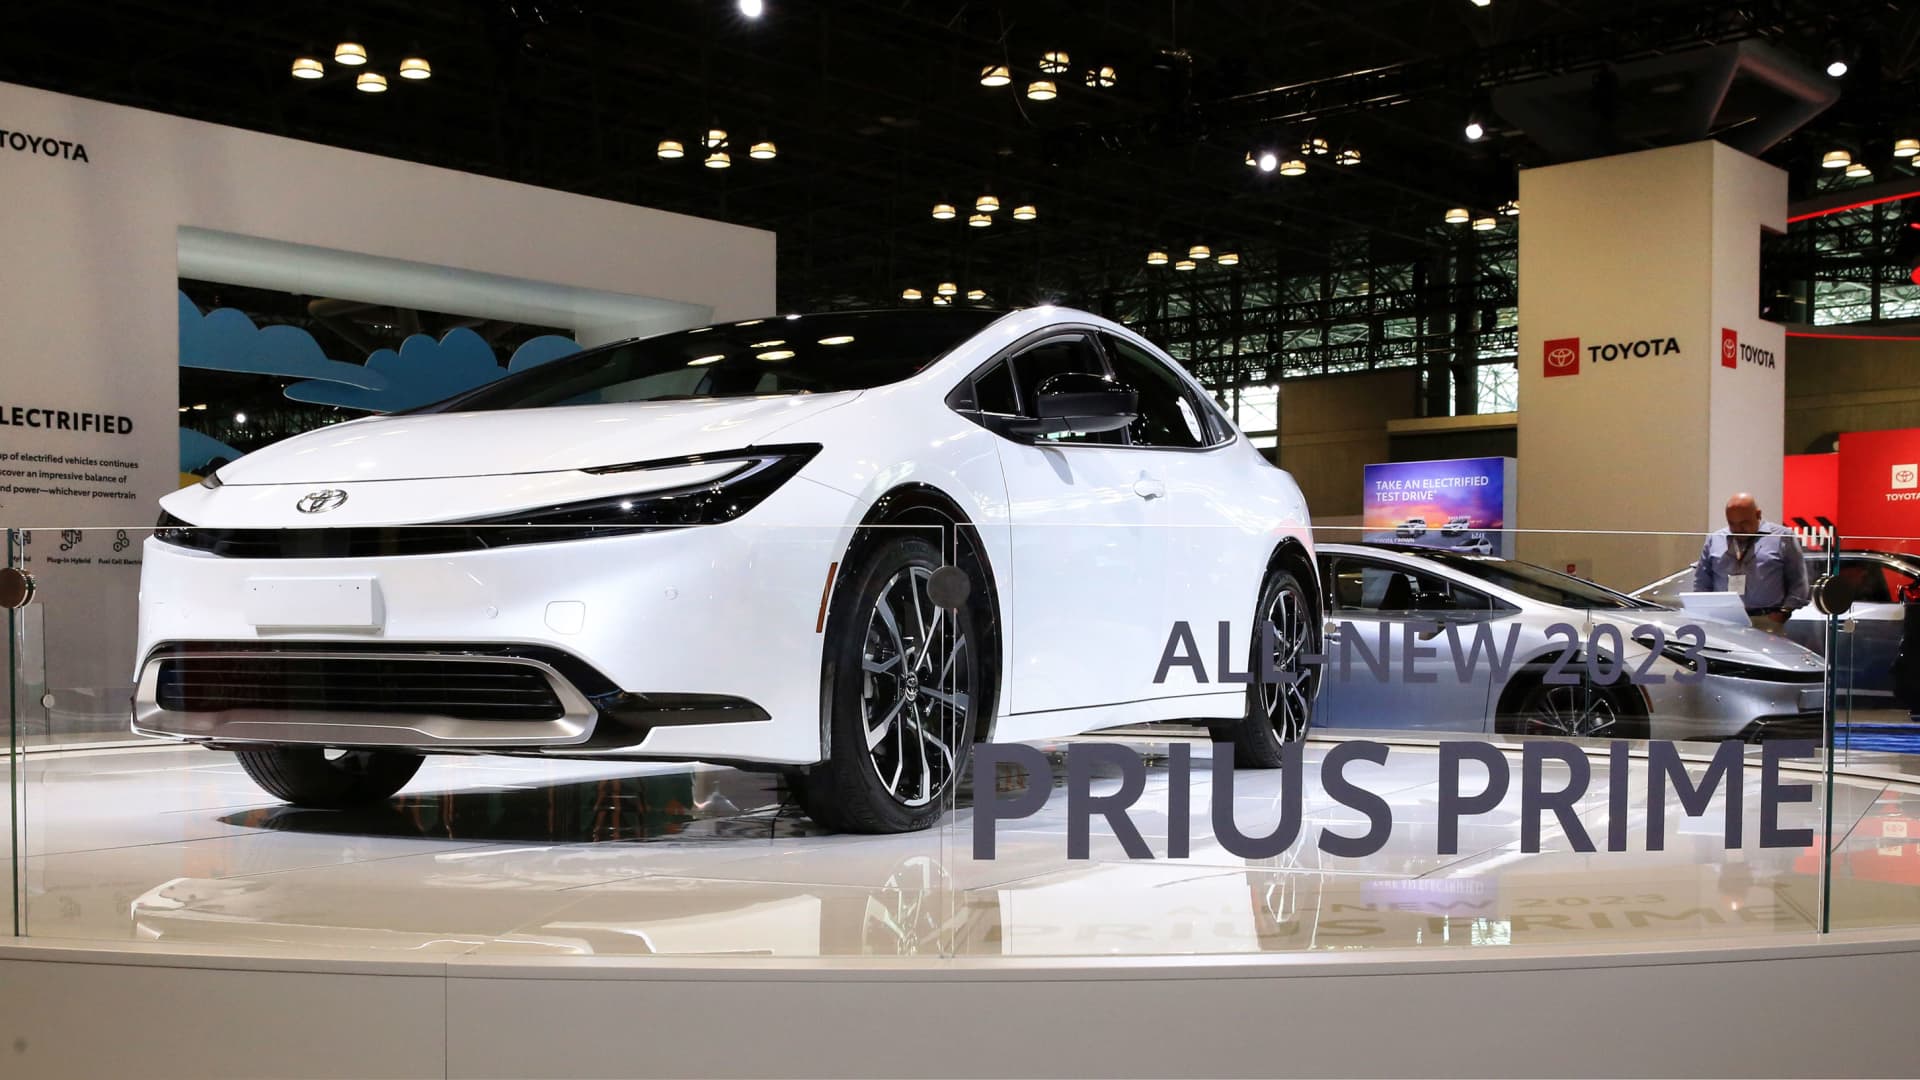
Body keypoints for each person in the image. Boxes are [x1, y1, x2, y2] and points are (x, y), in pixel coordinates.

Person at [1693, 493, 1809, 633]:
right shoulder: (1715, 539)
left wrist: (1783, 612)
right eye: (1732, 523)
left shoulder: (1783, 537)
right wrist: (1705, 615)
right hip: (1723, 622)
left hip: (1767, 621)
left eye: (1744, 523)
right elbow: (1701, 582)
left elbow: (1799, 582)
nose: (1738, 529)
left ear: (1758, 514)